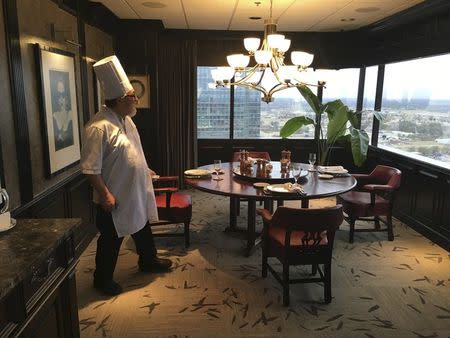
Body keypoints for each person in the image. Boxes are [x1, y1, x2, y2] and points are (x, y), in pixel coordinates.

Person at [80, 55, 171, 296]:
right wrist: (105, 195)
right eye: (133, 96)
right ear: (121, 99)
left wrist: (145, 170)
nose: (137, 100)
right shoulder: (98, 128)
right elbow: (90, 168)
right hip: (115, 196)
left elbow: (134, 152)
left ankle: (148, 260)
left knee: (142, 226)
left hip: (136, 189)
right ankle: (102, 279)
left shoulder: (127, 120)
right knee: (110, 240)